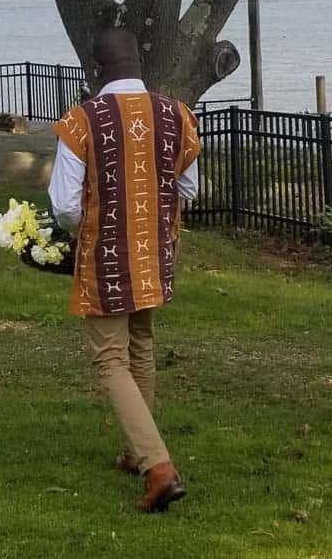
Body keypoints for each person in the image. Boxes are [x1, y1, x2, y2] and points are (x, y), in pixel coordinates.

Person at [48, 28, 201, 513]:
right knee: (141, 346)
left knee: (109, 359)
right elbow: (191, 188)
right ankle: (138, 454)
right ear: (138, 64)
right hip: (155, 250)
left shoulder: (81, 120)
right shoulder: (177, 115)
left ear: (97, 71)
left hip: (107, 255)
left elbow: (65, 205)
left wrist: (90, 224)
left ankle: (158, 468)